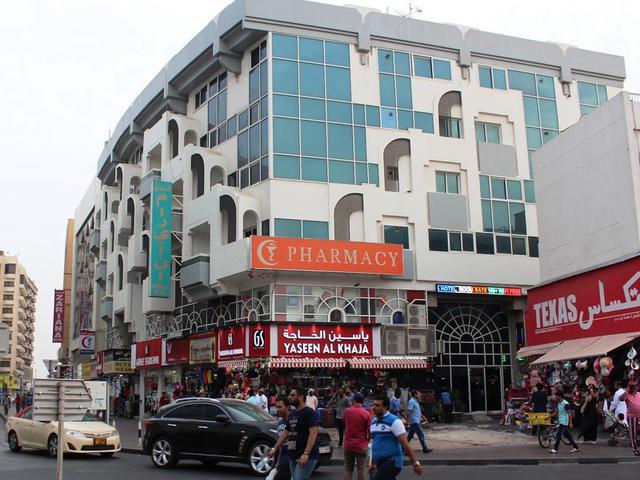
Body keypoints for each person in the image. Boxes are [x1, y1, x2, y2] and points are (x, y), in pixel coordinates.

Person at [270, 388, 319, 480]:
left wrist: (306, 453)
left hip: (306, 456)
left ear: (301, 397)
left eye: (293, 395)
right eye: (289, 395)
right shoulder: (293, 414)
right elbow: (286, 432)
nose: (289, 397)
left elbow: (313, 433)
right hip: (293, 455)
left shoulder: (309, 413)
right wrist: (274, 448)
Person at [370, 395, 423, 479]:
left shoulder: (394, 421)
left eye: (377, 405)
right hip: (380, 462)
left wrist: (415, 463)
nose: (374, 407)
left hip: (392, 461)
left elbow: (405, 444)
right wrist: (373, 463)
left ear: (386, 407)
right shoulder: (373, 422)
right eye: (373, 404)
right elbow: (375, 443)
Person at [342, 393, 370, 480]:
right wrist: (368, 439)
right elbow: (369, 430)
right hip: (361, 445)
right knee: (361, 468)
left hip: (348, 444)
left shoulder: (347, 411)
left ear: (353, 400)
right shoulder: (366, 413)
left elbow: (344, 422)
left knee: (348, 468)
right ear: (363, 401)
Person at [273, 396, 292, 480]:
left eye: (280, 407)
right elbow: (281, 445)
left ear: (287, 407)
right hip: (283, 458)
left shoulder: (294, 420)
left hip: (292, 458)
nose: (277, 409)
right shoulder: (279, 423)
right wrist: (278, 462)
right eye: (276, 407)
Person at [620, 379, 640, 456]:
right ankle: (635, 450)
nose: (634, 388)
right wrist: (626, 391)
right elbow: (620, 399)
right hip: (632, 417)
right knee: (633, 434)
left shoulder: (639, 394)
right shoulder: (627, 394)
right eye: (632, 387)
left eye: (634, 386)